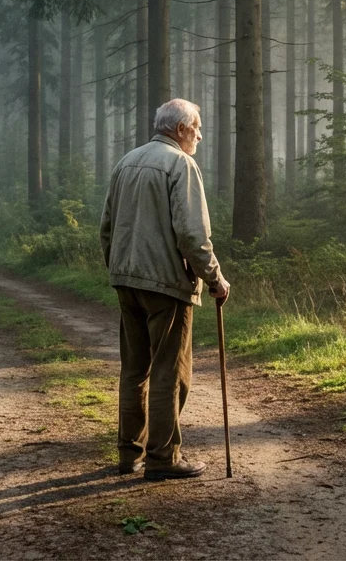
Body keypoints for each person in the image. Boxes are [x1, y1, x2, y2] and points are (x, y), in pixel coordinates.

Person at [100, 98, 230, 481]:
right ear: (180, 130)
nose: (201, 136)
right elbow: (192, 233)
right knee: (169, 373)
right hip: (166, 285)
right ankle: (162, 459)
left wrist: (118, 268)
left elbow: (106, 226)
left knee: (134, 370)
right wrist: (215, 279)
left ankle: (130, 455)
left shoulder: (127, 161)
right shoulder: (180, 164)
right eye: (197, 128)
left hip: (126, 281)